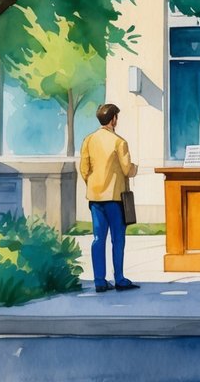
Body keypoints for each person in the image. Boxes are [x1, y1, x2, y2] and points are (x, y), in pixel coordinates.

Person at [78, 103, 139, 293]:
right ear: (113, 119)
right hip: (115, 197)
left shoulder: (88, 140)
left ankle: (99, 280)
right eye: (116, 117)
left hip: (95, 197)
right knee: (118, 239)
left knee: (98, 237)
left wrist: (93, 183)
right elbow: (128, 169)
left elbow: (84, 169)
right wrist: (136, 168)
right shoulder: (119, 142)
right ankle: (119, 278)